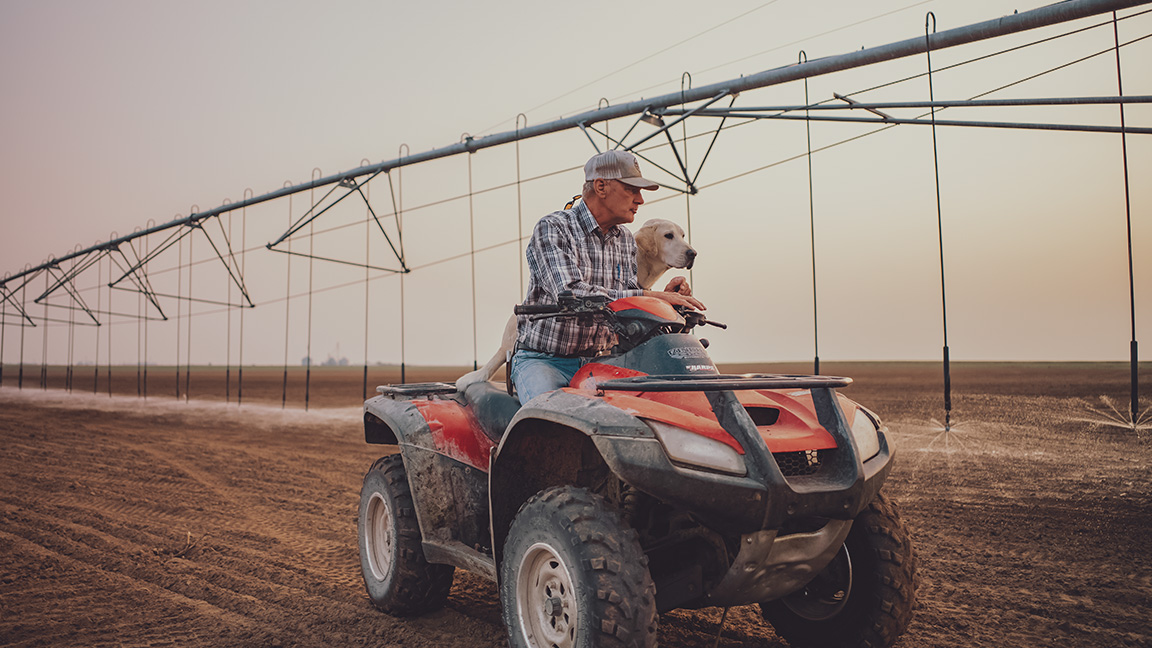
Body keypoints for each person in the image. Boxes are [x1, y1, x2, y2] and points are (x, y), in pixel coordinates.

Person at [510, 150, 705, 405]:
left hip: (601, 364)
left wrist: (666, 302)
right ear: (601, 186)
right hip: (545, 361)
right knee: (552, 417)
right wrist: (649, 295)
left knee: (649, 416)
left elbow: (626, 299)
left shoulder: (624, 239)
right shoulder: (554, 228)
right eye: (631, 189)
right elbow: (571, 294)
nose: (640, 200)